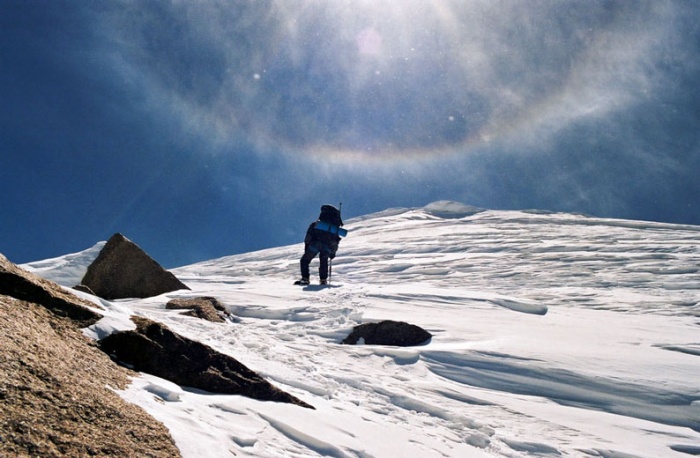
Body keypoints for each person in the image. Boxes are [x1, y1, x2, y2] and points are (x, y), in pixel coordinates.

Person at [296, 205, 343, 285]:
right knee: (324, 261)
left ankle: (305, 278)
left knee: (305, 260)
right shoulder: (333, 228)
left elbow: (308, 237)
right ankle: (323, 280)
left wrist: (307, 247)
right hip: (327, 247)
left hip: (315, 244)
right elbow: (335, 241)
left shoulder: (316, 224)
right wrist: (333, 252)